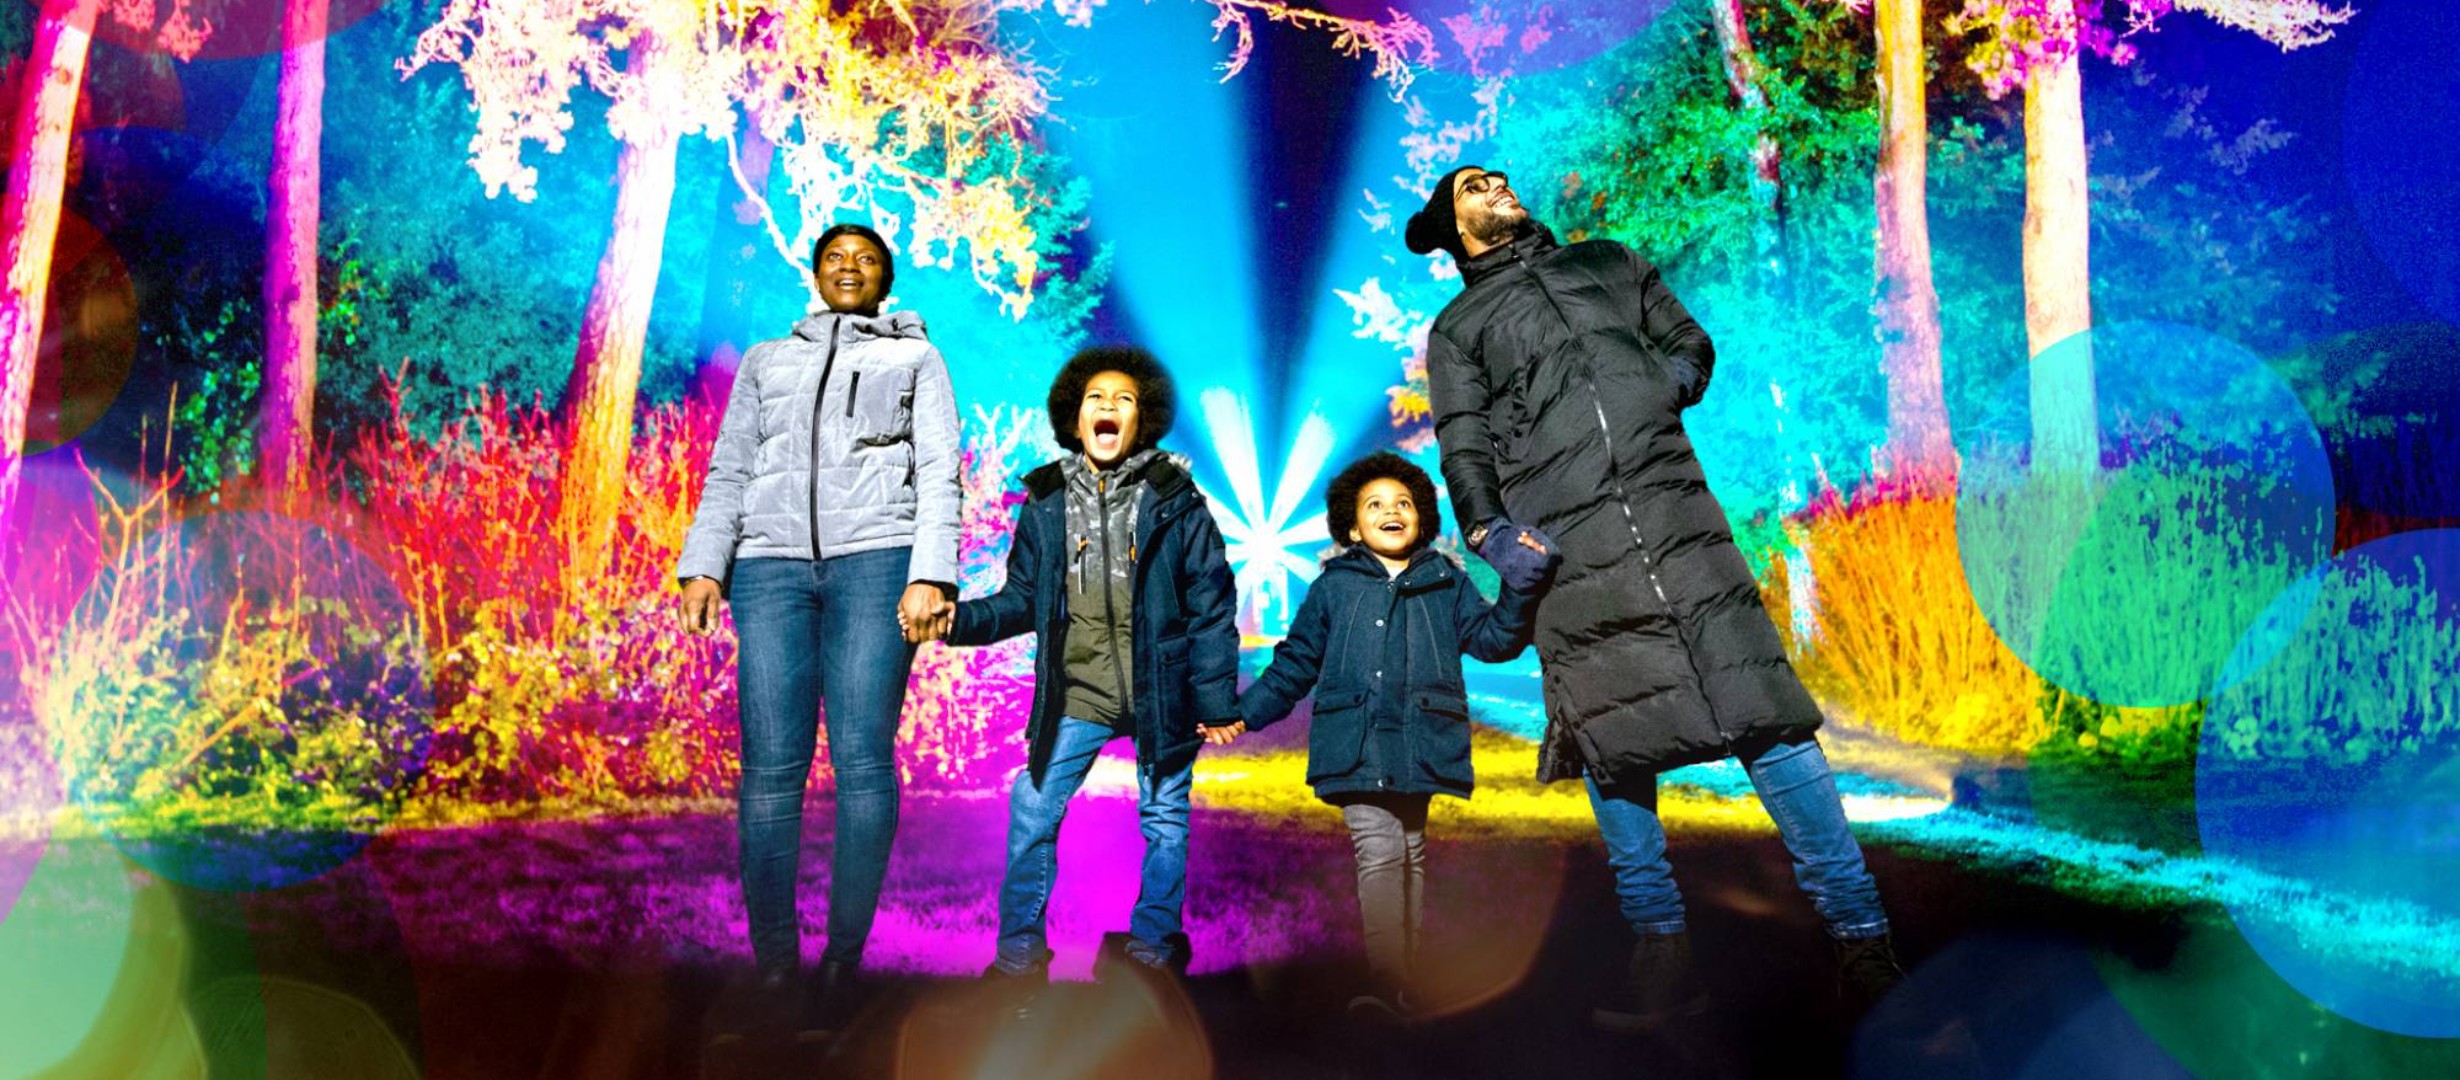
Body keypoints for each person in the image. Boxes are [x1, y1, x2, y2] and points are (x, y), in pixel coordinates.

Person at [1405, 166, 1906, 1029]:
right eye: (1473, 189)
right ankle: (1661, 954)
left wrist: (1656, 390)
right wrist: (1487, 529)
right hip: (1570, 537)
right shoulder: (1458, 327)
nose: (1497, 186)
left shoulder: (1606, 261)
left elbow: (1690, 342)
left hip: (1677, 514)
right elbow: (1464, 442)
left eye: (1498, 178)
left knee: (1769, 716)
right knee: (1615, 741)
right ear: (1454, 231)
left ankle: (1864, 945)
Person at [675, 223, 962, 1027]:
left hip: (877, 560)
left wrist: (930, 572)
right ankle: (775, 967)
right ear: (814, 273)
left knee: (864, 759)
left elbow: (941, 467)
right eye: (835, 257)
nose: (848, 267)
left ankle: (842, 958)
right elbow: (731, 463)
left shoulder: (914, 359)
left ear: (884, 279)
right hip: (768, 570)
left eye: (864, 259)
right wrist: (706, 561)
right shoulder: (770, 360)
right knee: (770, 767)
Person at [923, 344, 1243, 994]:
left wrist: (1215, 700)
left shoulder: (1177, 500)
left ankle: (1152, 954)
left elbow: (1212, 602)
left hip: (1165, 692)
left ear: (1141, 420)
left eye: (1123, 399)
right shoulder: (1043, 503)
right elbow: (1019, 600)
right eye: (1096, 397)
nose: (1108, 407)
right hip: (1080, 693)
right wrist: (958, 620)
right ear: (1075, 418)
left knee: (1164, 820)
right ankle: (1017, 961)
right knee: (1033, 810)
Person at [1232, 451, 1557, 1019]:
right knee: (1380, 852)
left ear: (1421, 520)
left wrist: (1519, 590)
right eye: (1376, 505)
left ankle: (1402, 980)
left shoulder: (1444, 582)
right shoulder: (1333, 588)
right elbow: (1295, 662)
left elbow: (1493, 641)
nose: (1391, 511)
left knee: (1409, 853)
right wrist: (1246, 713)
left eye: (1403, 503)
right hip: (1356, 742)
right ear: (1353, 527)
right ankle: (1386, 977)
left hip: (1420, 741)